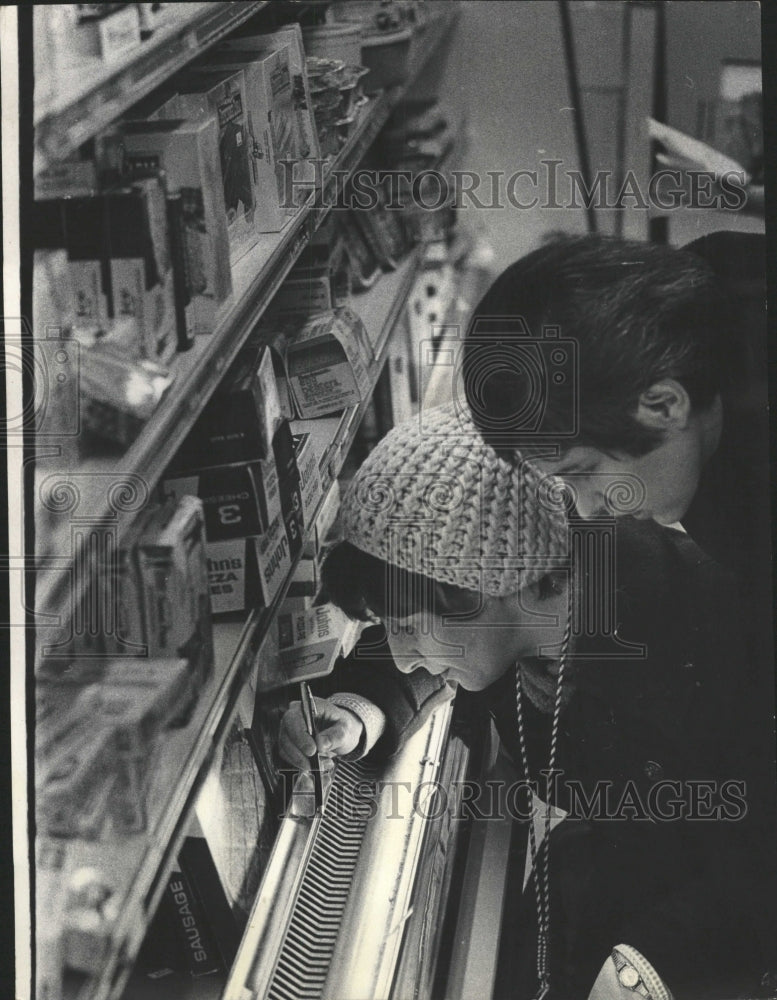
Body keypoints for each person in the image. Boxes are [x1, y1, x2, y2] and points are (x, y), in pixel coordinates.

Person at [280, 405, 773, 1000]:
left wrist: (656, 964)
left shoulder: (700, 621)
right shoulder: (516, 629)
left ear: (484, 585)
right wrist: (363, 706)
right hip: (616, 884)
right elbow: (412, 662)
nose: (406, 655)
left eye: (406, 627)